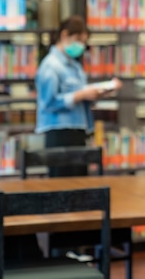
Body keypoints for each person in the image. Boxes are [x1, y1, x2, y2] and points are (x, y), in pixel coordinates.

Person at [35, 15, 122, 176]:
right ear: (64, 35)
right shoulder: (50, 65)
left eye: (83, 42)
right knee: (61, 184)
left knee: (80, 184)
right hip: (59, 132)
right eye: (78, 40)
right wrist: (81, 95)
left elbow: (80, 93)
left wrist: (98, 92)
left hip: (79, 130)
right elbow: (48, 103)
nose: (80, 45)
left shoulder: (75, 66)